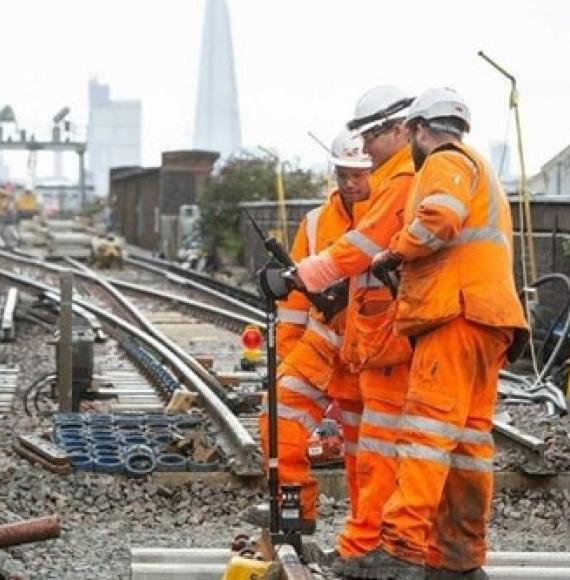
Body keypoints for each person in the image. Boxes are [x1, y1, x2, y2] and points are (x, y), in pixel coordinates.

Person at [334, 87, 529, 579]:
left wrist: (395, 252)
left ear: (420, 129)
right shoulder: (481, 167)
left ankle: (400, 549)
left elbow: (439, 218)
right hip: (490, 321)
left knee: (425, 433)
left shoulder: (443, 160)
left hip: (455, 316)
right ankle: (459, 559)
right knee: (466, 444)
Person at [294, 86, 416, 558]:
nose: (354, 174)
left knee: (382, 450)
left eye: (371, 140)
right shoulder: (320, 219)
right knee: (367, 451)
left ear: (401, 129)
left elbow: (363, 249)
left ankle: (379, 545)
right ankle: (374, 543)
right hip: (360, 345)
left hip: (385, 343)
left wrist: (304, 275)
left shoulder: (401, 184)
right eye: (344, 170)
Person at [243, 129, 373, 532]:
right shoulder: (316, 223)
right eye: (343, 174)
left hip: (370, 352)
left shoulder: (391, 214)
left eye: (359, 174)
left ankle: (369, 531)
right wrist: (285, 352)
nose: (351, 184)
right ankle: (295, 507)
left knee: (366, 450)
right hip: (320, 345)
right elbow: (296, 302)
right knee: (277, 416)